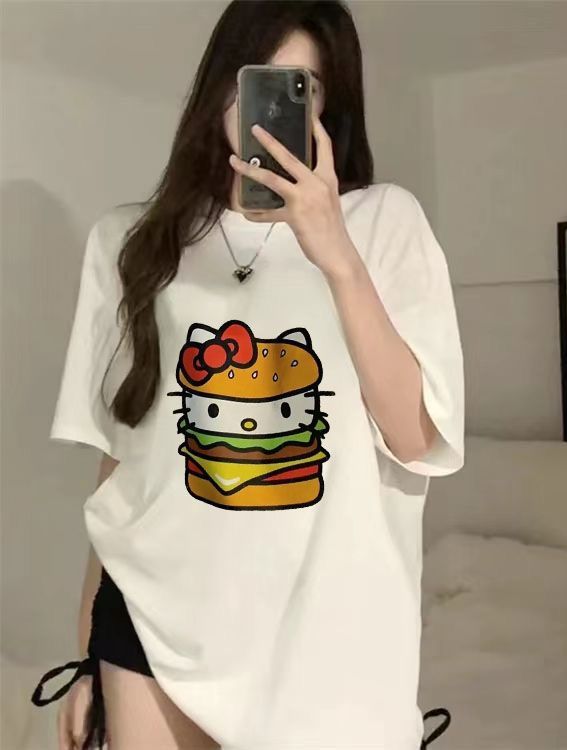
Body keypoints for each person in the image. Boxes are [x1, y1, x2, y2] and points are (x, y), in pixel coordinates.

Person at [30, 2, 464, 749]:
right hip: (153, 624)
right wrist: (86, 657)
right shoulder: (133, 244)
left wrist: (335, 254)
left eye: (300, 87)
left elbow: (415, 436)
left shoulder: (384, 224)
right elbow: (123, 469)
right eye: (251, 80)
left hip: (323, 639)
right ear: (217, 90)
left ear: (328, 107)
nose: (265, 110)